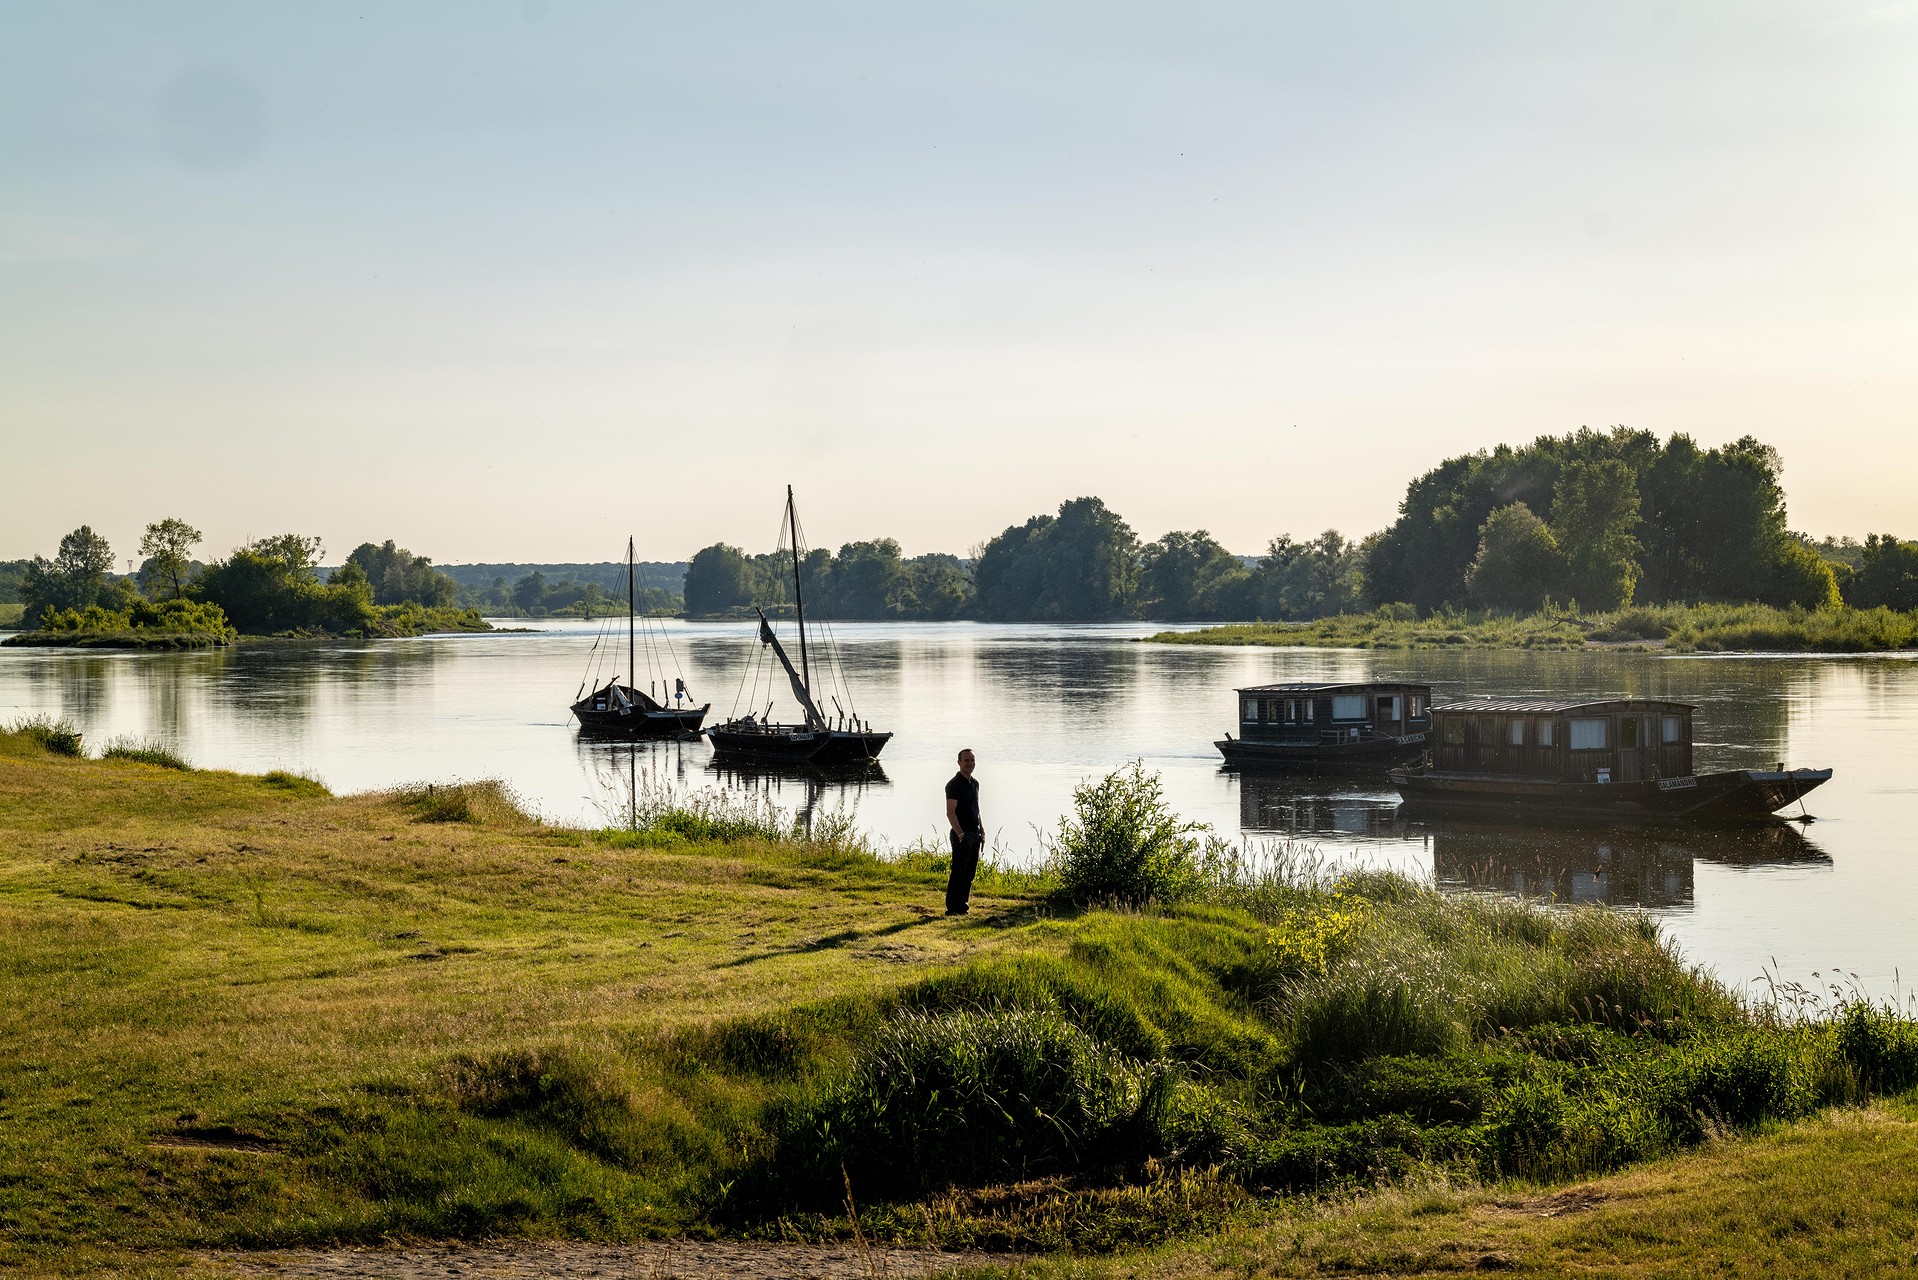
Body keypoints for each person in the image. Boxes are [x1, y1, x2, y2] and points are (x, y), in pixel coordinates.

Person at [943, 748, 982, 915]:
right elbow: (950, 812)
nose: (970, 764)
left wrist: (982, 831)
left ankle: (963, 905)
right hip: (961, 834)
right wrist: (960, 834)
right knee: (958, 871)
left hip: (975, 833)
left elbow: (977, 809)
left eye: (972, 760)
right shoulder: (953, 785)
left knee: (970, 872)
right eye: (966, 760)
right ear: (959, 762)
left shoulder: (975, 783)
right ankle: (952, 907)